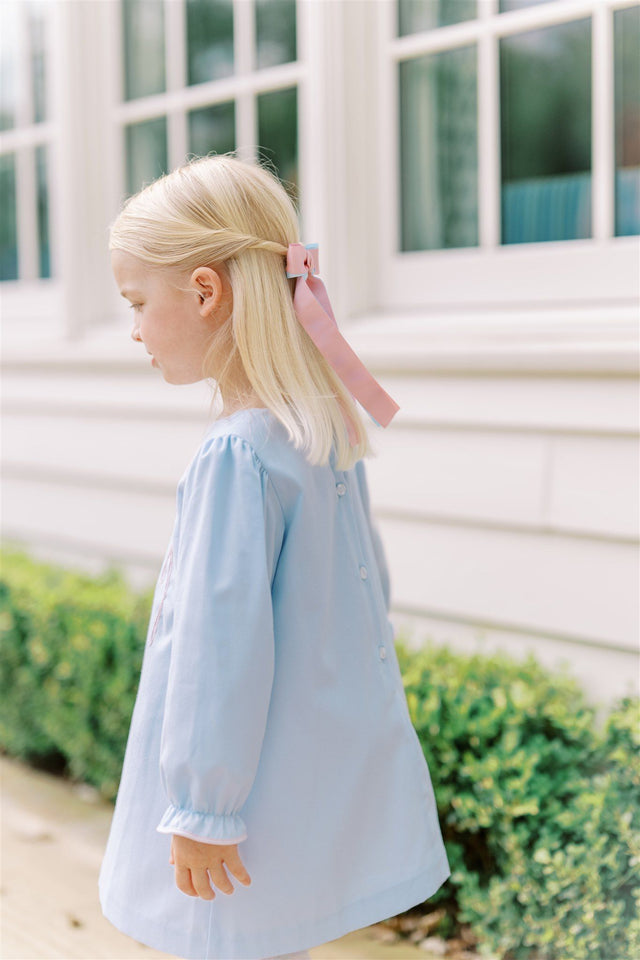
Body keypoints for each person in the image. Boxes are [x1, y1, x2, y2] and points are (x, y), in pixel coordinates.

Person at [98, 154, 451, 960]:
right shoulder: (318, 431)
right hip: (301, 766)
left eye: (137, 303)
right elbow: (368, 594)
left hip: (241, 790)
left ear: (205, 292)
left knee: (224, 936)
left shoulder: (238, 454)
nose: (135, 330)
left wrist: (201, 806)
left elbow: (215, 647)